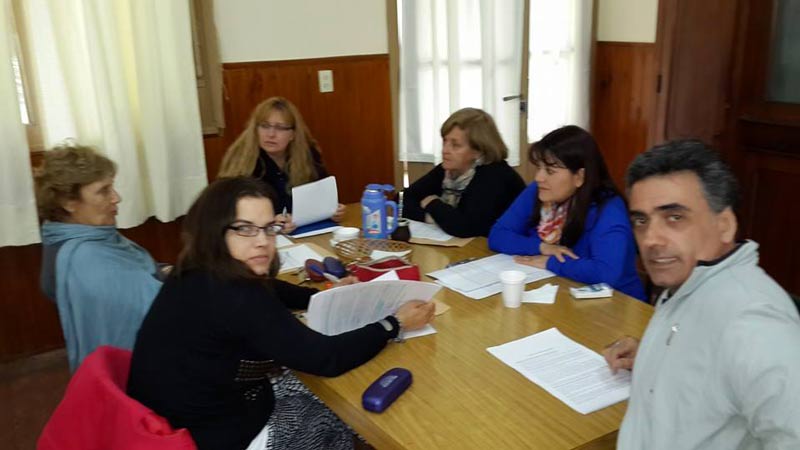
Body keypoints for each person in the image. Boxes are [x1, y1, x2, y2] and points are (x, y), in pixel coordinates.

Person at [127, 177, 435, 450]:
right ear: (214, 232)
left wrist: (321, 295)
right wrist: (394, 323)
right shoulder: (237, 297)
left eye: (268, 228)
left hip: (183, 419)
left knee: (309, 383)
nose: (263, 241)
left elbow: (270, 288)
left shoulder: (195, 271)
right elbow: (326, 359)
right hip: (216, 437)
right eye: (245, 229)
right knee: (339, 413)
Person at [604, 140, 800, 449]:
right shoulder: (690, 282)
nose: (650, 239)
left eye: (675, 217)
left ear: (725, 225)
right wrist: (652, 354)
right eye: (641, 220)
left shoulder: (754, 323)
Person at [35, 144, 165, 371]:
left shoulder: (83, 235)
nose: (116, 198)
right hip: (140, 371)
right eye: (104, 190)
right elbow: (160, 312)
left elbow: (136, 272)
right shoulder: (84, 259)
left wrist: (166, 271)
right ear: (68, 202)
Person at [488, 126, 645, 300]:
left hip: (617, 304)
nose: (539, 177)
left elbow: (607, 273)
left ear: (579, 177)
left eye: (550, 171)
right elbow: (497, 235)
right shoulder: (538, 191)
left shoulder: (609, 210)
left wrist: (551, 262)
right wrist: (542, 247)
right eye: (539, 167)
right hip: (561, 291)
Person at [218, 96, 345, 233]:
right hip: (256, 236)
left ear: (293, 134)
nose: (271, 134)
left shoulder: (307, 154)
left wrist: (333, 211)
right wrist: (270, 222)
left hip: (304, 233)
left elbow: (322, 196)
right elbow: (227, 211)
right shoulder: (242, 159)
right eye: (264, 126)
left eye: (280, 128)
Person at [402, 107, 525, 237]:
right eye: (445, 141)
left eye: (455, 145)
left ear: (478, 150)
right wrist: (434, 218)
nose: (445, 150)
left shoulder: (495, 175)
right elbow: (402, 200)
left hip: (504, 247)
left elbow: (467, 227)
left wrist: (433, 203)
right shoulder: (447, 169)